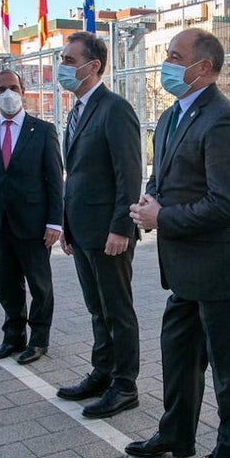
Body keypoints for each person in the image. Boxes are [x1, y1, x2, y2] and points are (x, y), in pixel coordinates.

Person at [126, 29, 230, 458]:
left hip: (225, 268)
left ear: (203, 68)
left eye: (173, 56)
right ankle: (176, 433)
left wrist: (164, 216)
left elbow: (224, 204)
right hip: (185, 267)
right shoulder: (170, 117)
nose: (164, 63)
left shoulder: (225, 120)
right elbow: (161, 175)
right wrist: (150, 204)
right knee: (179, 353)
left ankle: (229, 457)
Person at [56, 31, 143, 419]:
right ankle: (103, 371)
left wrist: (121, 228)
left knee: (117, 310)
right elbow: (75, 174)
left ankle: (125, 385)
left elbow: (129, 174)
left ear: (93, 66)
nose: (62, 67)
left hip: (110, 233)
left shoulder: (114, 109)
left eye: (69, 60)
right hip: (84, 230)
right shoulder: (75, 110)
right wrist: (68, 228)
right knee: (97, 308)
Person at [0, 70, 63, 365]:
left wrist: (54, 222)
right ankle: (13, 337)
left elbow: (54, 180)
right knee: (7, 285)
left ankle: (39, 339)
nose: (8, 93)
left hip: (34, 225)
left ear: (22, 90)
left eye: (14, 87)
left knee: (39, 285)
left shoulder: (43, 130)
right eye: (2, 89)